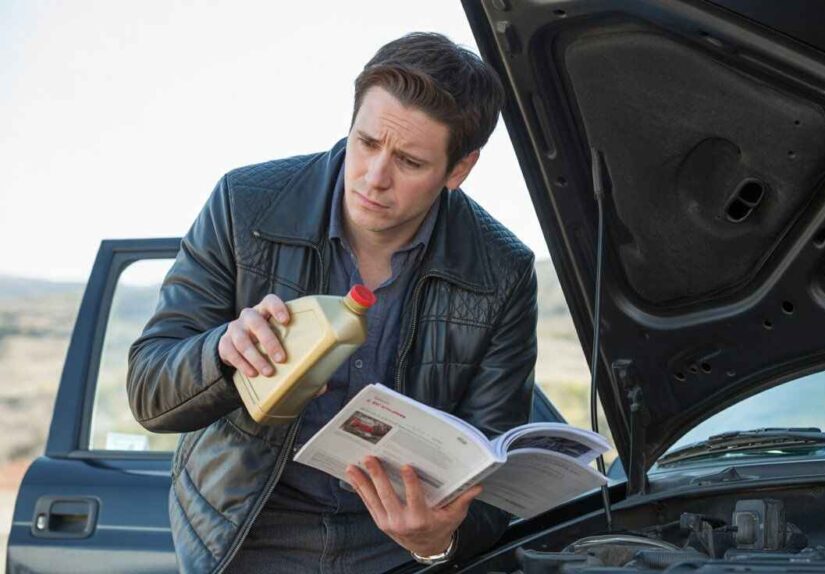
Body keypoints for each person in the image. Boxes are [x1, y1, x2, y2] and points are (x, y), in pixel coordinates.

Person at [127, 32, 537, 574]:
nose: (374, 177)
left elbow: (490, 474)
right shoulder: (242, 204)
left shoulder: (503, 270)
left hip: (398, 560)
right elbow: (148, 393)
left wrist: (436, 540)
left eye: (410, 162)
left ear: (458, 170)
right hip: (247, 538)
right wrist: (223, 356)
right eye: (366, 142)